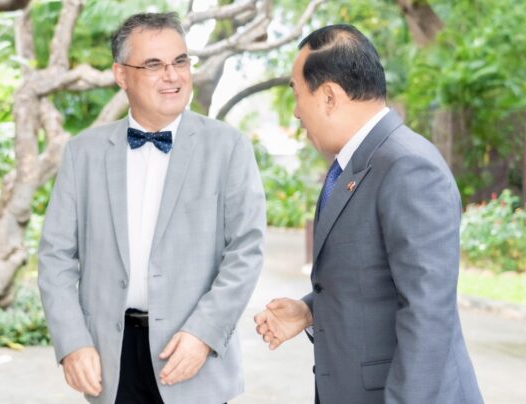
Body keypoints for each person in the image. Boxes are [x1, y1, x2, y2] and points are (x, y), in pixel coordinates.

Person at [38, 12, 265, 404]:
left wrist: (203, 333)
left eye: (180, 61)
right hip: (111, 360)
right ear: (121, 75)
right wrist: (73, 341)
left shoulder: (229, 147)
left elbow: (246, 250)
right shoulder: (82, 153)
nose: (172, 76)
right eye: (154, 65)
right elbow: (55, 257)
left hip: (192, 355)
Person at [254, 24, 483, 404]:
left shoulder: (408, 166)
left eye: (297, 94)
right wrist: (310, 311)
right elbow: (373, 281)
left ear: (329, 96)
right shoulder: (355, 165)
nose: (295, 112)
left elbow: (427, 314)